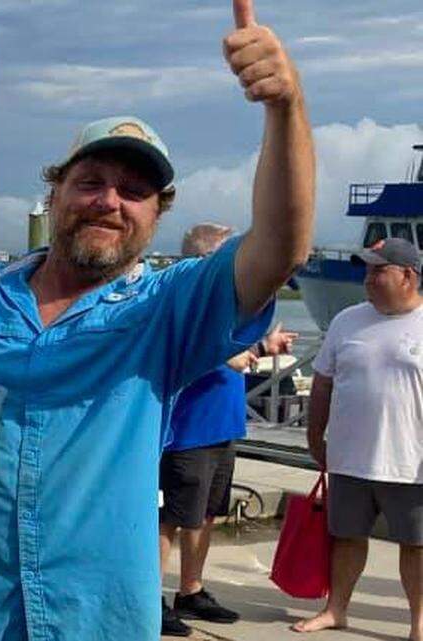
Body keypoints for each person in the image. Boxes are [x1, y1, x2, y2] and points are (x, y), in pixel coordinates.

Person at [0, 0, 315, 638]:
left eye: (134, 191)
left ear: (157, 214)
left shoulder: (167, 307)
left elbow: (279, 248)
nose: (109, 202)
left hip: (96, 618)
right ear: (54, 193)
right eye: (90, 182)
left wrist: (285, 106)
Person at [159, 222, 297, 637]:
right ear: (208, 260)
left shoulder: (227, 307)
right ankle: (151, 597)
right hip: (187, 431)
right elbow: (196, 353)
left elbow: (239, 352)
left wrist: (260, 347)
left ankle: (191, 590)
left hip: (223, 426)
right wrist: (238, 353)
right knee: (168, 519)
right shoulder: (184, 302)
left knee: (205, 515)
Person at [294, 237, 423, 641]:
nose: (367, 278)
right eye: (366, 269)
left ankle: (419, 622)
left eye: (377, 270)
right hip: (350, 456)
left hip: (410, 460)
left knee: (416, 546)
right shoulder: (347, 319)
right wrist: (315, 434)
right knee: (346, 538)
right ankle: (336, 610)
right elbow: (323, 383)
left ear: (408, 275)